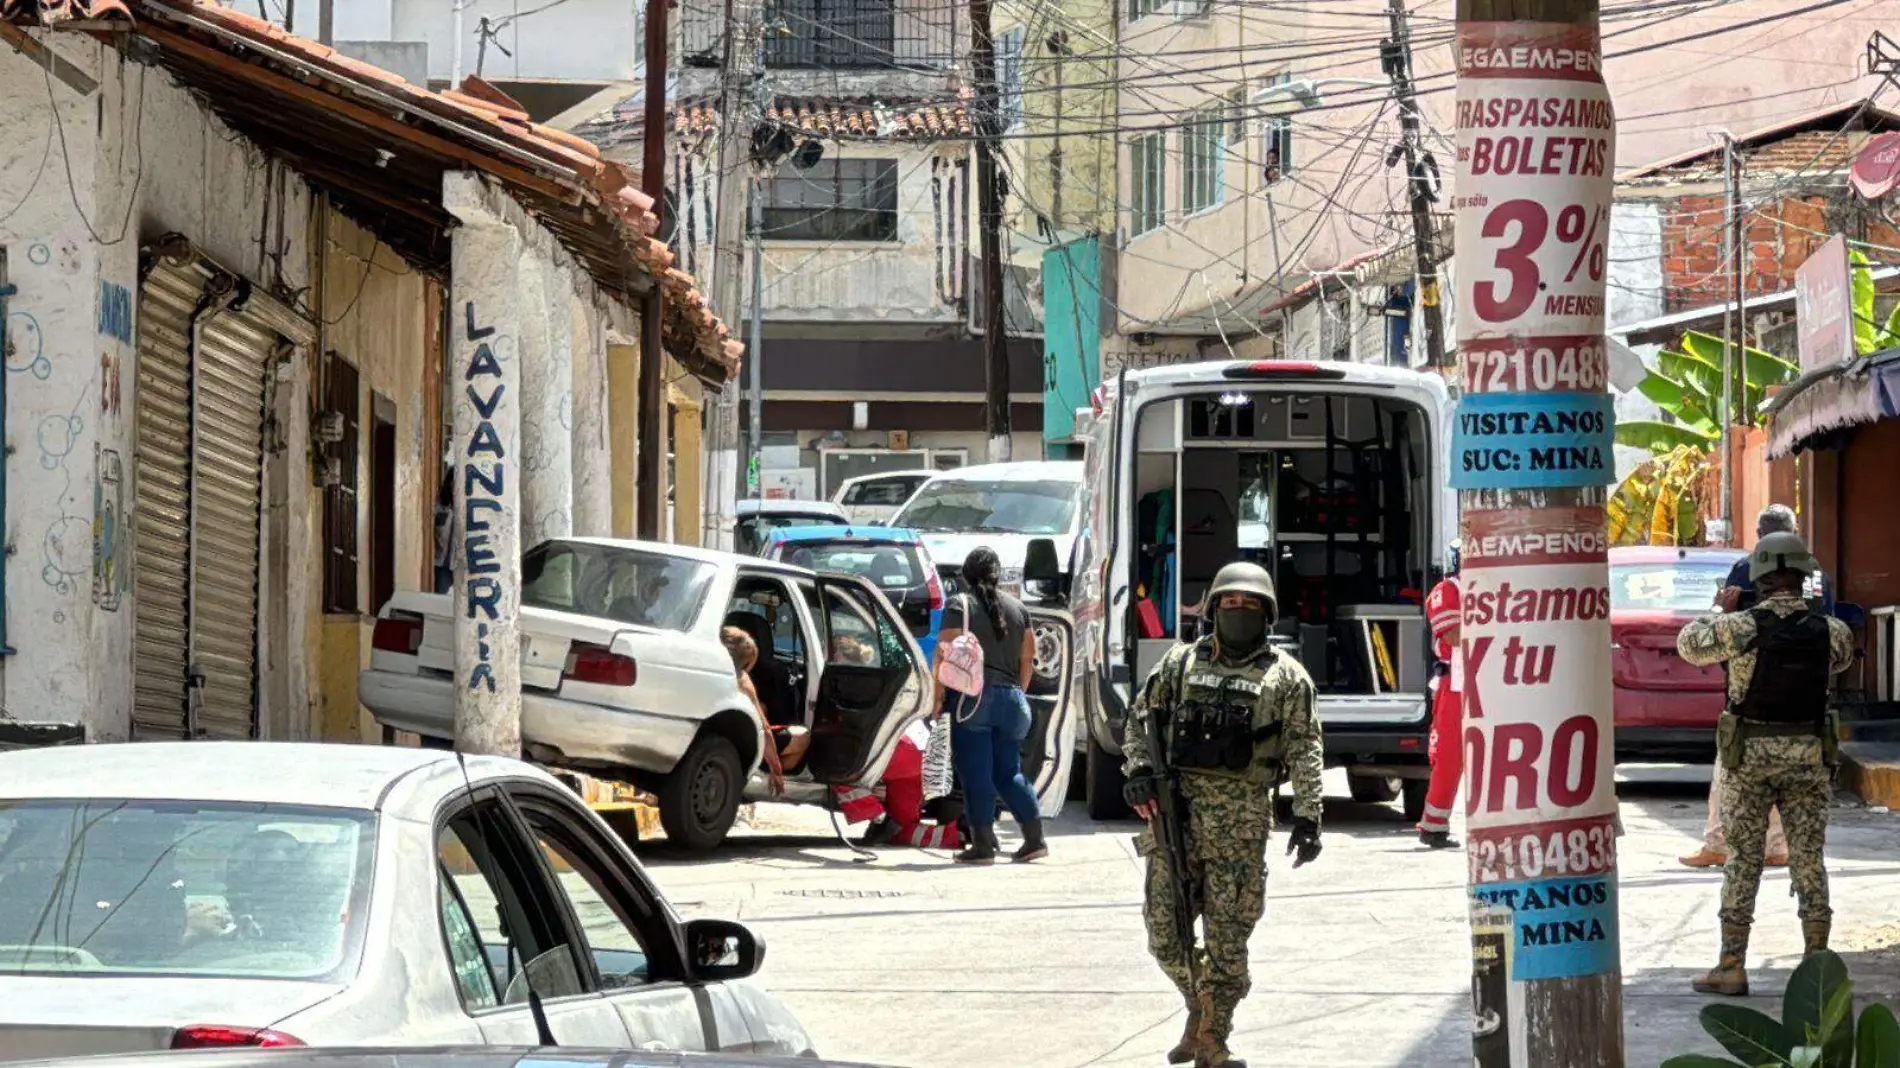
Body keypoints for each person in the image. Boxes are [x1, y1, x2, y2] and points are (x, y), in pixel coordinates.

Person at [1121, 562, 1325, 1068]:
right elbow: (1140, 718)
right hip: (1176, 821)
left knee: (1228, 940)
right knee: (1163, 936)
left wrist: (1308, 813)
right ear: (1213, 609)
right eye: (1229, 603)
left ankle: (1214, 1037)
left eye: (1249, 605)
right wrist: (1139, 770)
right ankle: (1199, 1006)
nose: (1238, 611)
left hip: (1240, 831)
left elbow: (1305, 746)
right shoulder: (1179, 664)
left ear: (1267, 613)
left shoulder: (1286, 677)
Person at [1677, 531, 1853, 996]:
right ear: (1804, 575)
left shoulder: (1739, 627)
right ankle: (1818, 966)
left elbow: (1689, 645)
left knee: (1743, 860)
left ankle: (1731, 965)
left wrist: (1721, 607)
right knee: (1809, 859)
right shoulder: (1831, 631)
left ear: (1757, 577)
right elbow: (1837, 662)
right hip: (1808, 758)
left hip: (1748, 759)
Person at [1681, 504, 1826, 870]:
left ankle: (1718, 843)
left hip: (1750, 693)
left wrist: (1718, 611)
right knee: (1789, 780)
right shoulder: (1815, 571)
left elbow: (1696, 642)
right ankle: (1778, 846)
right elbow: (1832, 625)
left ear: (1760, 535)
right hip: (1806, 702)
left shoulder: (1746, 568)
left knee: (1728, 773)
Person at [935, 547, 1046, 865]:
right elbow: (1028, 660)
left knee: (976, 772)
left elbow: (944, 654)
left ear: (966, 576)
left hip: (974, 701)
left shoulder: (960, 605)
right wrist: (1016, 695)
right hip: (1013, 700)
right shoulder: (1019, 608)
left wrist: (936, 698)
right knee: (1008, 773)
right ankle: (1035, 839)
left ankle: (982, 844)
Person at [1417, 541, 1463, 849]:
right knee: (1449, 756)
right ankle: (1433, 826)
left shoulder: (1499, 586)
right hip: (1457, 680)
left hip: (1497, 676)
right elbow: (1453, 635)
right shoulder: (1446, 590)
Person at [722, 624, 801, 796]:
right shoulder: (742, 681)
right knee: (803, 738)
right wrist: (776, 770)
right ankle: (759, 772)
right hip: (734, 747)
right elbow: (763, 729)